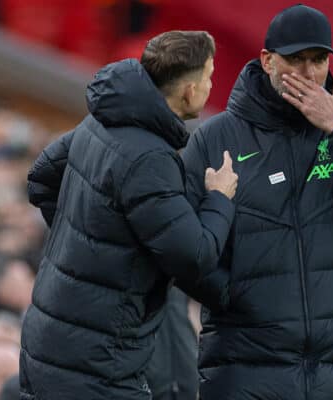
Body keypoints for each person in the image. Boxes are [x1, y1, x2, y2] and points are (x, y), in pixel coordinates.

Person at [181, 5, 333, 399]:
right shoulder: (215, 138)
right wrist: (234, 297)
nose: (308, 73)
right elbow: (180, 246)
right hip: (248, 370)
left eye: (318, 60)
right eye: (296, 60)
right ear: (267, 61)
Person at [19, 30, 238, 400]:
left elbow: (41, 178)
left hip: (50, 341)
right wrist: (220, 197)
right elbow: (195, 256)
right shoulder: (149, 158)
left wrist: (87, 249)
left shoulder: (100, 122)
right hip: (97, 364)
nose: (211, 86)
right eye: (209, 76)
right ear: (188, 89)